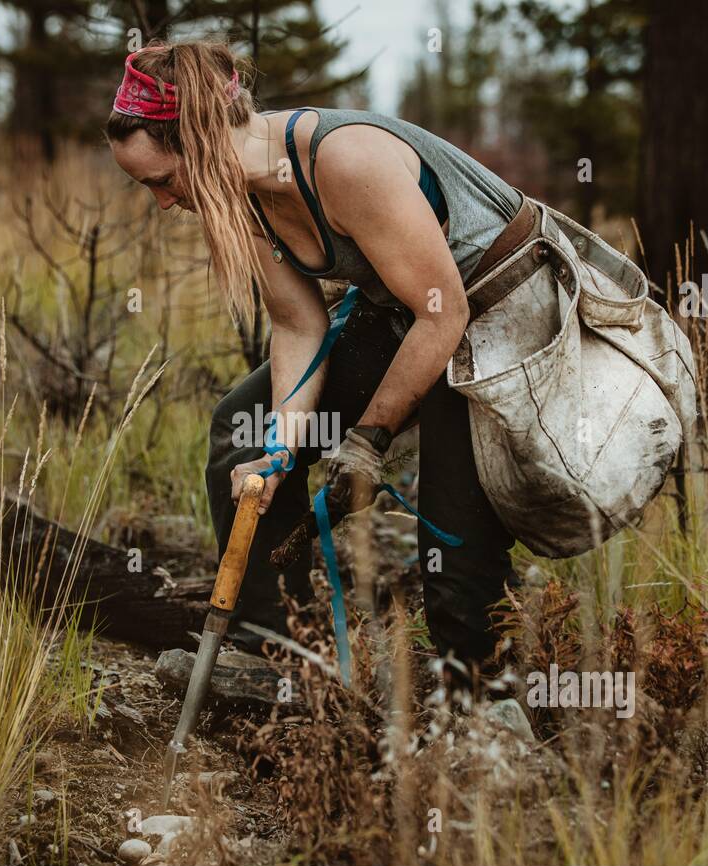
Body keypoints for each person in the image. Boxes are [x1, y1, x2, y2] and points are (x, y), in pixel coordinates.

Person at [106, 38, 535, 697]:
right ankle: (270, 653)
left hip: (497, 312)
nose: (164, 202)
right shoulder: (246, 192)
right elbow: (298, 323)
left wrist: (368, 440)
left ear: (197, 135)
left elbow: (444, 315)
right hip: (410, 311)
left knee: (452, 524)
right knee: (245, 433)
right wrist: (282, 449)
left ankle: (482, 703)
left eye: (162, 180)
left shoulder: (345, 162)